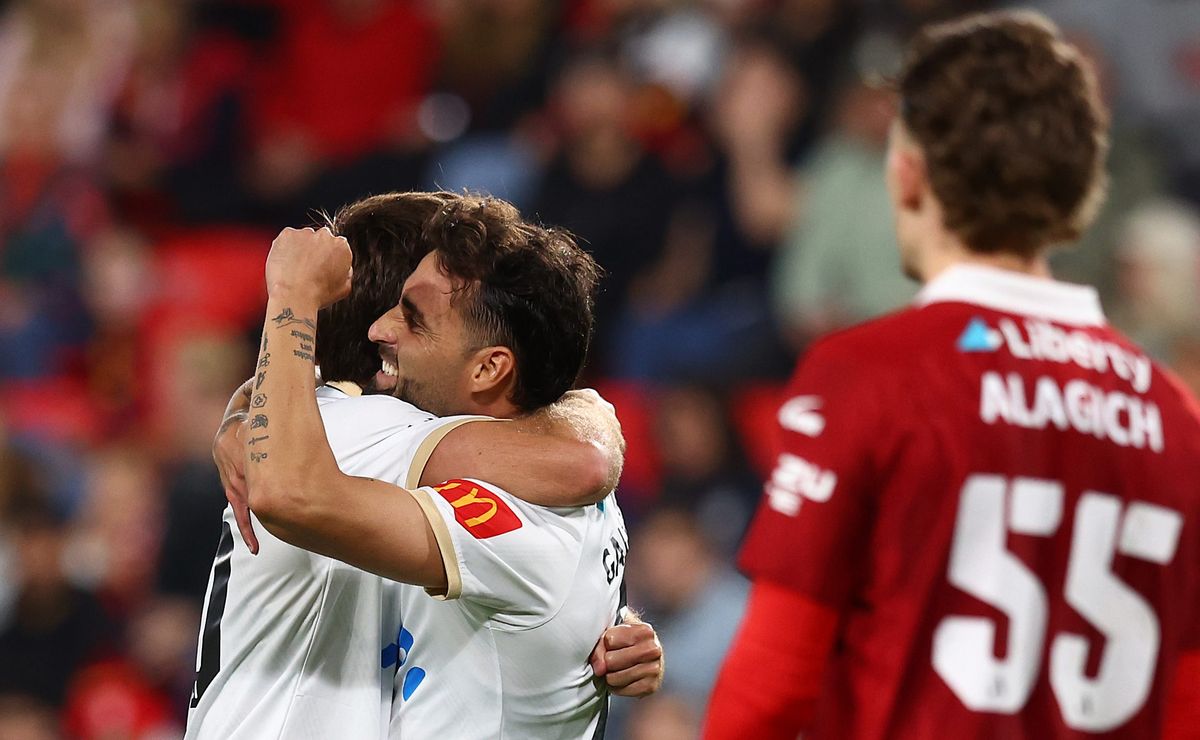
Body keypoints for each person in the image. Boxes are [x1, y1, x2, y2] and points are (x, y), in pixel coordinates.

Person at [704, 11, 1200, 739]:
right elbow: (1187, 701)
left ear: (908, 176)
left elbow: (772, 684)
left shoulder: (866, 373)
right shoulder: (1176, 417)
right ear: (1079, 194)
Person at [188, 192, 661, 739]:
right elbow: (584, 457)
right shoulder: (354, 431)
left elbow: (583, 463)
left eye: (413, 318)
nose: (383, 330)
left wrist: (291, 302)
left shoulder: (338, 430)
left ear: (488, 367)